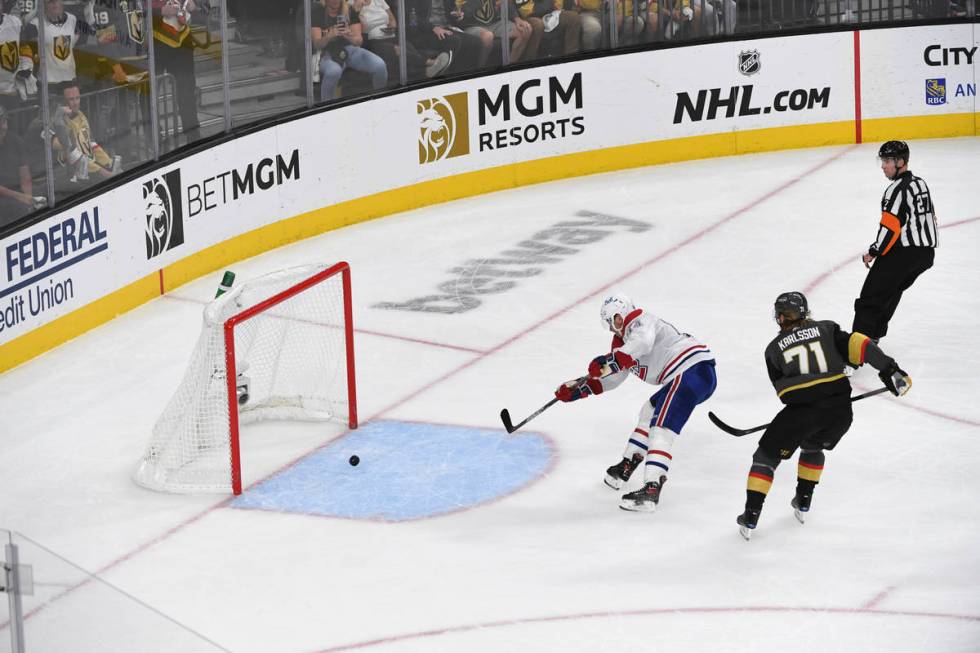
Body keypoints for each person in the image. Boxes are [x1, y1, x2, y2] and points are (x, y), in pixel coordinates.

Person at [736, 291, 911, 541]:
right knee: (813, 445)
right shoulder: (828, 330)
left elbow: (783, 390)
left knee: (765, 457)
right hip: (839, 413)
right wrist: (890, 370)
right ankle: (803, 500)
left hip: (802, 414)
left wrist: (806, 406)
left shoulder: (773, 350)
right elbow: (861, 344)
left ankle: (751, 515)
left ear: (780, 317)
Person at [554, 293, 717, 512]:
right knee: (648, 412)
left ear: (621, 314)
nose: (614, 328)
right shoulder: (624, 345)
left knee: (661, 427)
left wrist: (609, 360)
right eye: (611, 325)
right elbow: (613, 377)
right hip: (689, 375)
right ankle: (627, 464)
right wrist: (581, 389)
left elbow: (642, 342)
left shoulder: (641, 321)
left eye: (614, 321)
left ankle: (651, 489)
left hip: (692, 370)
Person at [852, 140, 938, 343]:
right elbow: (930, 217)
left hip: (904, 254)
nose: (883, 165)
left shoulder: (896, 190)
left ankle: (855, 351)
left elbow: (890, 228)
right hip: (925, 255)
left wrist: (873, 252)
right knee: (891, 291)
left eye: (888, 160)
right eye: (882, 160)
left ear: (900, 162)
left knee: (869, 299)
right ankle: (874, 337)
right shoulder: (920, 183)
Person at [355, 0, 451, 81]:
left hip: (389, 34)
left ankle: (425, 72)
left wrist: (392, 26)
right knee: (398, 49)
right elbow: (358, 29)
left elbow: (392, 19)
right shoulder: (353, 4)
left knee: (406, 45)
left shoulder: (379, 1)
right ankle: (430, 63)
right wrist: (357, 10)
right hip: (372, 40)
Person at [311, 0, 387, 102]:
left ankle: (380, 99)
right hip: (327, 53)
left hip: (350, 50)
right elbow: (317, 45)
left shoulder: (349, 10)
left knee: (380, 65)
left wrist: (348, 36)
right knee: (334, 71)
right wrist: (329, 36)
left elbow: (358, 41)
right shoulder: (318, 12)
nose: (335, 1)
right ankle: (326, 104)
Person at [52, 82, 122, 183]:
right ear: (62, 102)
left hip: (90, 170)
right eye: (71, 99)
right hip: (72, 177)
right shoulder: (60, 124)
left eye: (77, 98)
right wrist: (104, 173)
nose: (76, 103)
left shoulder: (80, 115)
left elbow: (90, 142)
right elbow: (74, 156)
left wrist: (108, 162)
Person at [152, 0, 200, 139]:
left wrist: (195, 5)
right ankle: (153, 136)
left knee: (187, 90)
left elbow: (203, 5)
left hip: (183, 41)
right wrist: (160, 11)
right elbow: (135, 8)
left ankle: (193, 135)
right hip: (156, 40)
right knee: (150, 93)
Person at [0, 105, 45, 227]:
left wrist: (29, 198)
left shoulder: (15, 141)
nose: (4, 127)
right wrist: (22, 198)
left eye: (4, 121)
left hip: (18, 192)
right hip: (4, 197)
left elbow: (25, 175)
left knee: (45, 198)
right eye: (0, 123)